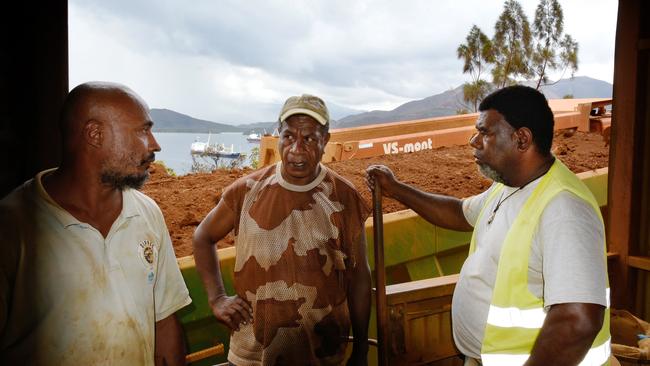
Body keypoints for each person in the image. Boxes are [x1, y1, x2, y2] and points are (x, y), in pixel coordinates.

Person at [367, 85, 611, 366]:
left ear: (521, 139)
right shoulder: (508, 186)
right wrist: (395, 189)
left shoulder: (564, 209)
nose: (474, 141)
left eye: (485, 133)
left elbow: (578, 319)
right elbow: (460, 213)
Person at [0, 82, 192, 365]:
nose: (155, 144)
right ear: (94, 134)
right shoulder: (13, 225)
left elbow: (163, 321)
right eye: (142, 130)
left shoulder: (147, 212)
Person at [193, 94, 371, 365]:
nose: (296, 149)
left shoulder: (344, 198)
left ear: (326, 140)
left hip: (322, 354)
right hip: (252, 355)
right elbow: (203, 237)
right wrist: (217, 298)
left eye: (309, 139)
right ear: (278, 137)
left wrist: (360, 349)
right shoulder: (245, 191)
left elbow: (359, 276)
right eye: (288, 137)